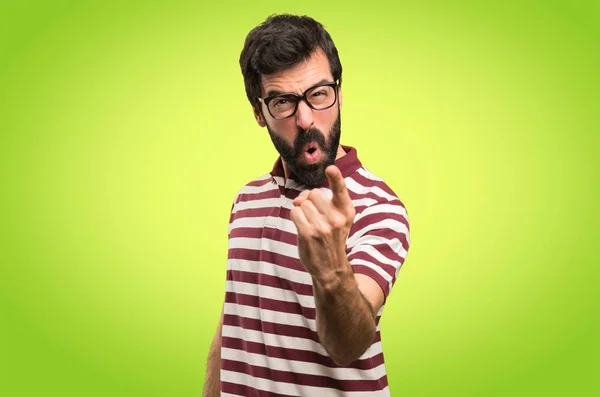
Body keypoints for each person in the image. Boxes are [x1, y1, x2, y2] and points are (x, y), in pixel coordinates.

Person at [203, 14, 410, 397]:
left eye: (318, 94)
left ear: (339, 92)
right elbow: (231, 326)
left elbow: (349, 345)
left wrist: (331, 271)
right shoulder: (247, 200)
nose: (306, 118)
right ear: (259, 113)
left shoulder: (377, 206)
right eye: (283, 101)